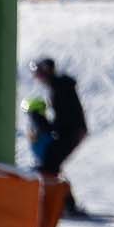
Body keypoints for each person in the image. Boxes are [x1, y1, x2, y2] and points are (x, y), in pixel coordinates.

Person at [30, 55, 92, 183]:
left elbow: (65, 119)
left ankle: (62, 200)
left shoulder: (60, 88)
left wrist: (39, 118)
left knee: (50, 163)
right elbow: (62, 119)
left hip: (72, 132)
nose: (38, 79)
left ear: (47, 72)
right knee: (51, 162)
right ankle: (64, 200)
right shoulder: (58, 87)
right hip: (72, 131)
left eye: (39, 74)